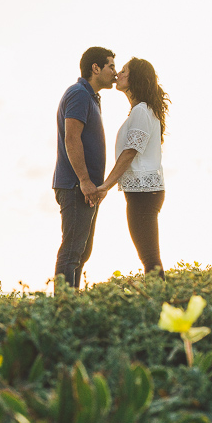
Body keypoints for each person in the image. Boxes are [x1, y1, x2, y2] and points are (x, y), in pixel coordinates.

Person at [95, 58, 169, 278]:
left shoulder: (141, 110)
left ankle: (158, 305)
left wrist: (106, 185)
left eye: (124, 71)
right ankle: (158, 303)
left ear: (135, 78)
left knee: (150, 258)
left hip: (144, 194)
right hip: (144, 192)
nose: (118, 74)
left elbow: (130, 152)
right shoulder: (142, 110)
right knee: (149, 257)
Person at [52, 47, 116, 289]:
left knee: (81, 252)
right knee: (72, 252)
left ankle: (73, 306)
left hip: (86, 188)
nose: (115, 72)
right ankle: (65, 311)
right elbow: (71, 138)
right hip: (75, 185)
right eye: (111, 66)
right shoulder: (78, 93)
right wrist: (85, 180)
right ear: (95, 68)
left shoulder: (90, 98)